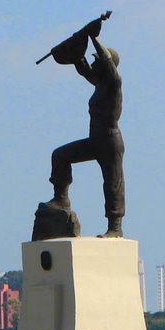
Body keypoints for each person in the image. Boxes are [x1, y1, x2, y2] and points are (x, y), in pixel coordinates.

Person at [48, 33, 125, 238]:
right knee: (60, 156)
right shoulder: (99, 84)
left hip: (110, 141)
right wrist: (72, 51)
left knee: (112, 183)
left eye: (96, 60)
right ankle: (61, 199)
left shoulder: (114, 83)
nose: (93, 63)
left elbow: (107, 63)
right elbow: (83, 68)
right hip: (96, 140)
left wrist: (92, 35)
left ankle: (115, 227)